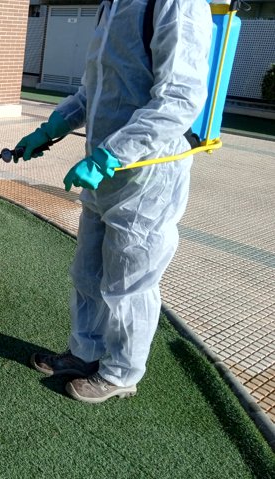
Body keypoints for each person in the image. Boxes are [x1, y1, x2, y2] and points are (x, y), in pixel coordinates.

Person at [14, 0, 213, 403]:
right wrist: (51, 127)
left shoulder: (177, 4)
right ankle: (85, 353)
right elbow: (95, 90)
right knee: (88, 271)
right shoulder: (115, 5)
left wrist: (112, 155)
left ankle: (122, 372)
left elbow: (179, 100)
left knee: (130, 281)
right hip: (104, 170)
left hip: (146, 174)